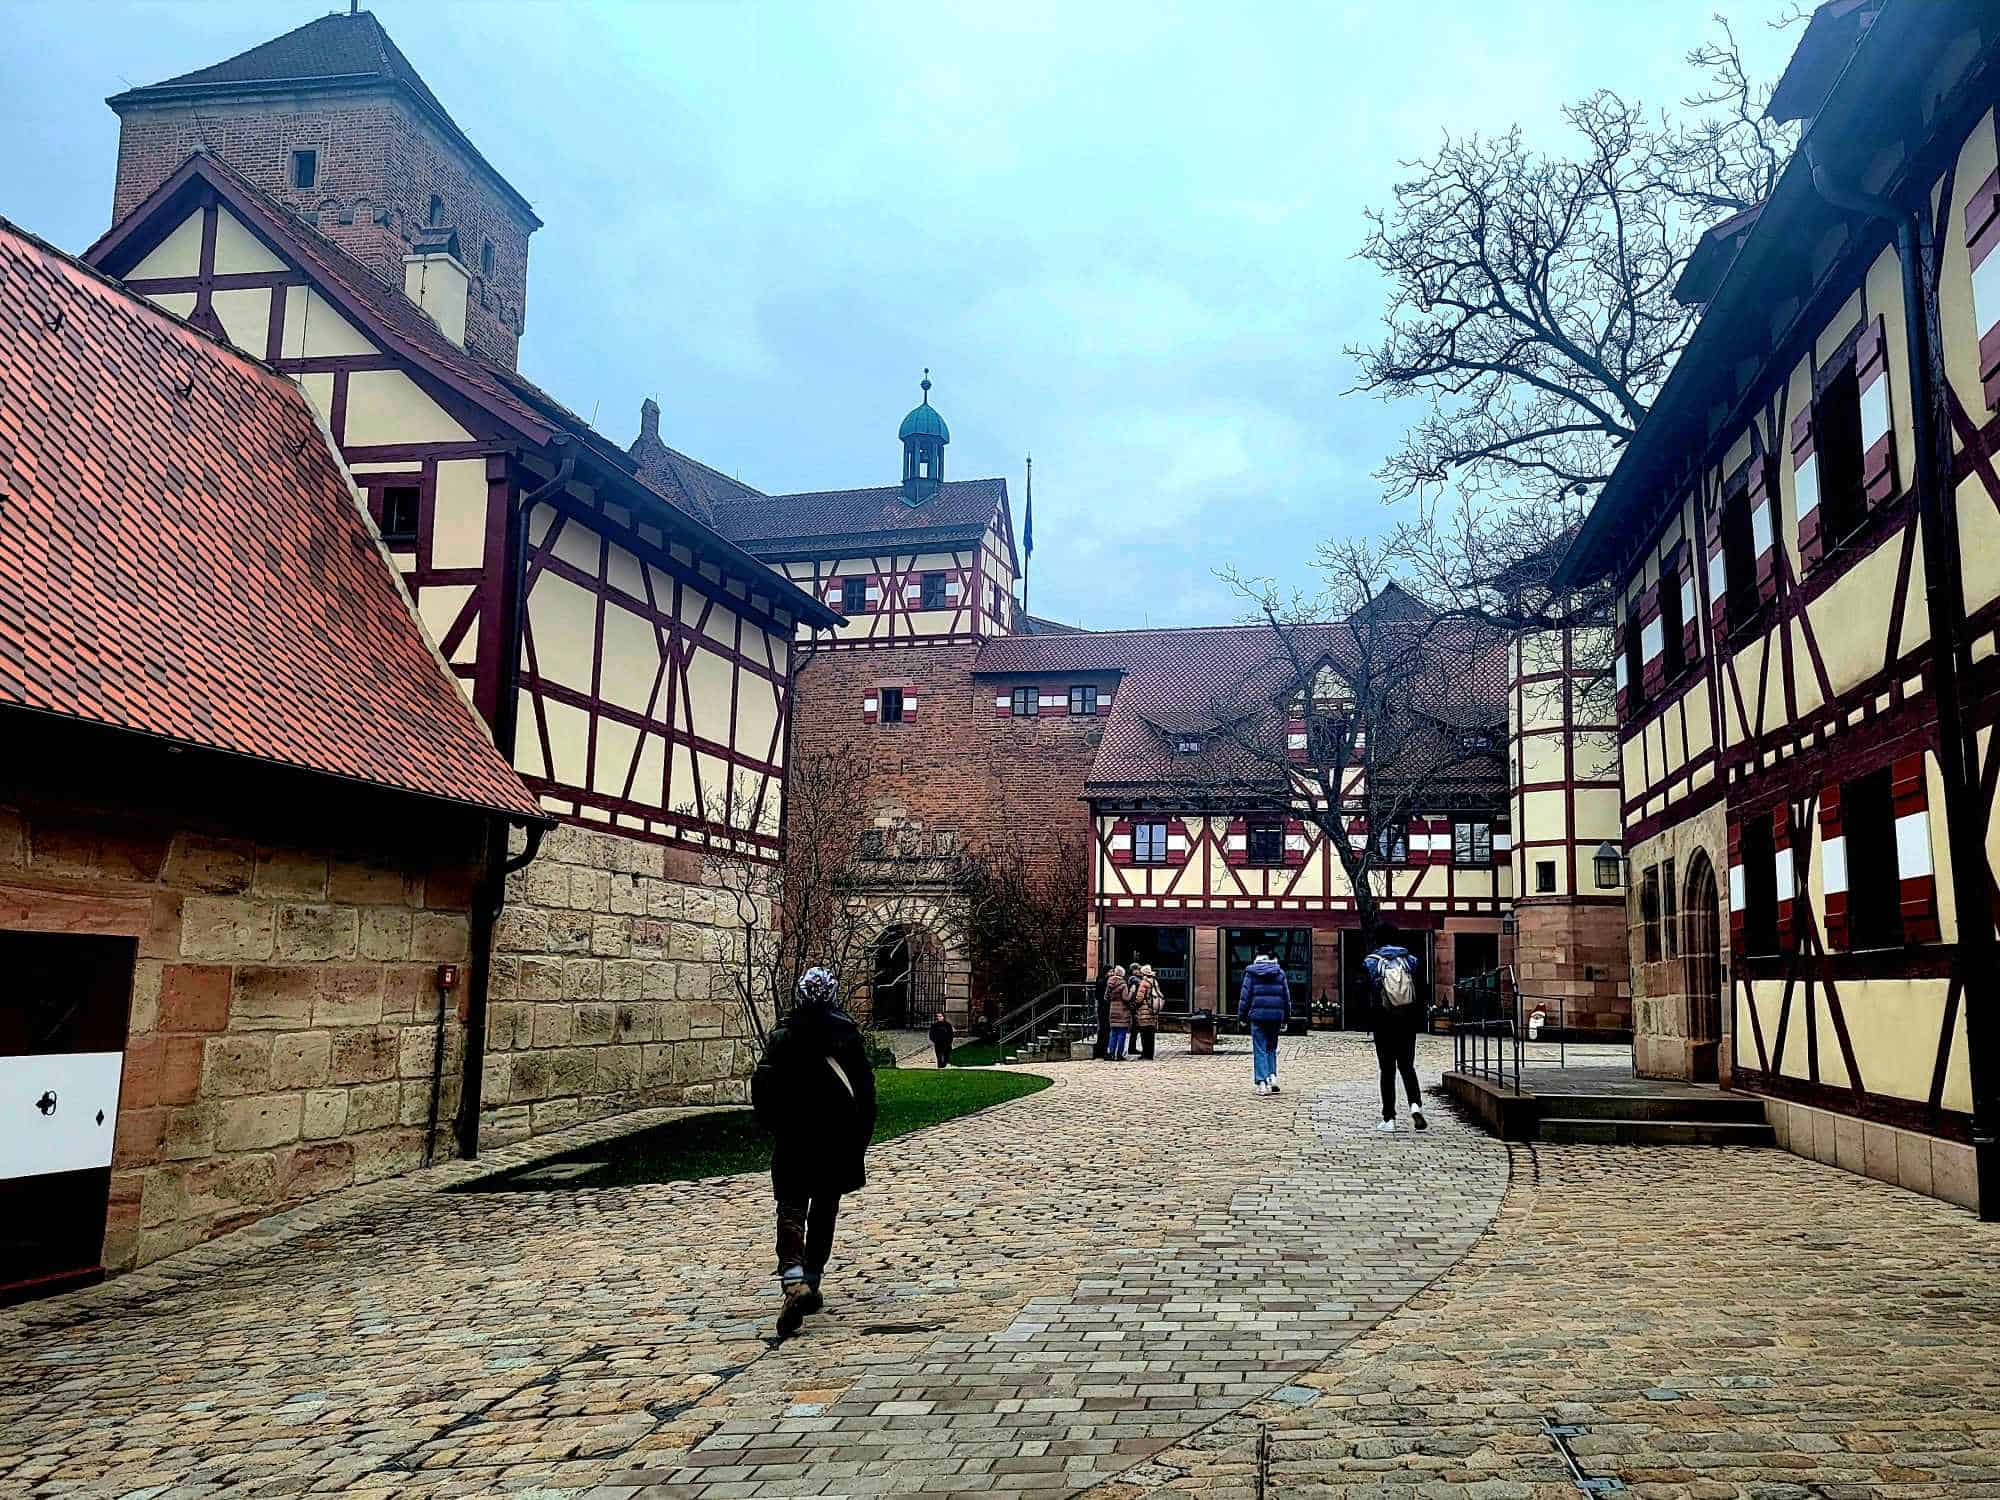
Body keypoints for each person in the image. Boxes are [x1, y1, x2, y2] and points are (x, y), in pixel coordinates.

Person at [751, 966, 878, 1337]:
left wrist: (775, 1125)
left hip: (794, 1137)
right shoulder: (847, 1036)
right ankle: (812, 1279)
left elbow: (763, 1087)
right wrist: (860, 1138)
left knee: (791, 1208)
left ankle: (793, 1280)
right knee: (824, 1209)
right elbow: (864, 1091)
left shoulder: (783, 1036)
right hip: (835, 1139)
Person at [1364, 943, 1427, 1132]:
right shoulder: (1410, 961)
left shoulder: (1372, 962)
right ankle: (1415, 1105)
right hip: (1407, 1020)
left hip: (1383, 1022)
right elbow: (1422, 991)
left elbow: (1366, 993)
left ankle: (1389, 1118)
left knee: (1387, 1070)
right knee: (1407, 1066)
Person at [1239, 953, 1290, 1095]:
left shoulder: (1251, 973)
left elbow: (1245, 997)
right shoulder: (1280, 973)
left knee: (1260, 1049)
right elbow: (1286, 997)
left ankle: (1262, 1082)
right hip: (1275, 1017)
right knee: (1271, 1047)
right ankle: (1272, 1076)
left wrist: (1242, 1016)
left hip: (1258, 1016)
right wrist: (1286, 1018)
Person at [1131, 964, 1160, 1061]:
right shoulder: (1154, 981)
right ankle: (1150, 1054)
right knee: (1151, 1034)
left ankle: (1145, 1054)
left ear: (1143, 973)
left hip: (1144, 1011)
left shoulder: (1144, 982)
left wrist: (1135, 1005)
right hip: (1153, 1010)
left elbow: (1139, 998)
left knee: (1144, 1033)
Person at [1104, 963, 1133, 1061]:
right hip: (1122, 1012)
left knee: (1113, 1033)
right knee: (1122, 1034)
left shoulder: (1109, 983)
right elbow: (1126, 998)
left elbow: (1106, 997)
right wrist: (1132, 992)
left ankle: (1111, 1053)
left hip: (1112, 1010)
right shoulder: (1123, 984)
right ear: (1122, 974)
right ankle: (1119, 1054)